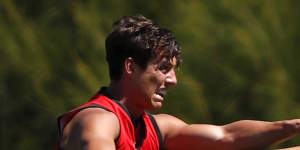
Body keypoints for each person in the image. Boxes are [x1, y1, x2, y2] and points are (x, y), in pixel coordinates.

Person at [55, 15, 300, 150]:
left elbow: (227, 137)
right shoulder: (97, 121)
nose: (173, 80)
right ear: (130, 67)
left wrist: (293, 126)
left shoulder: (159, 128)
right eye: (163, 69)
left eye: (173, 70)